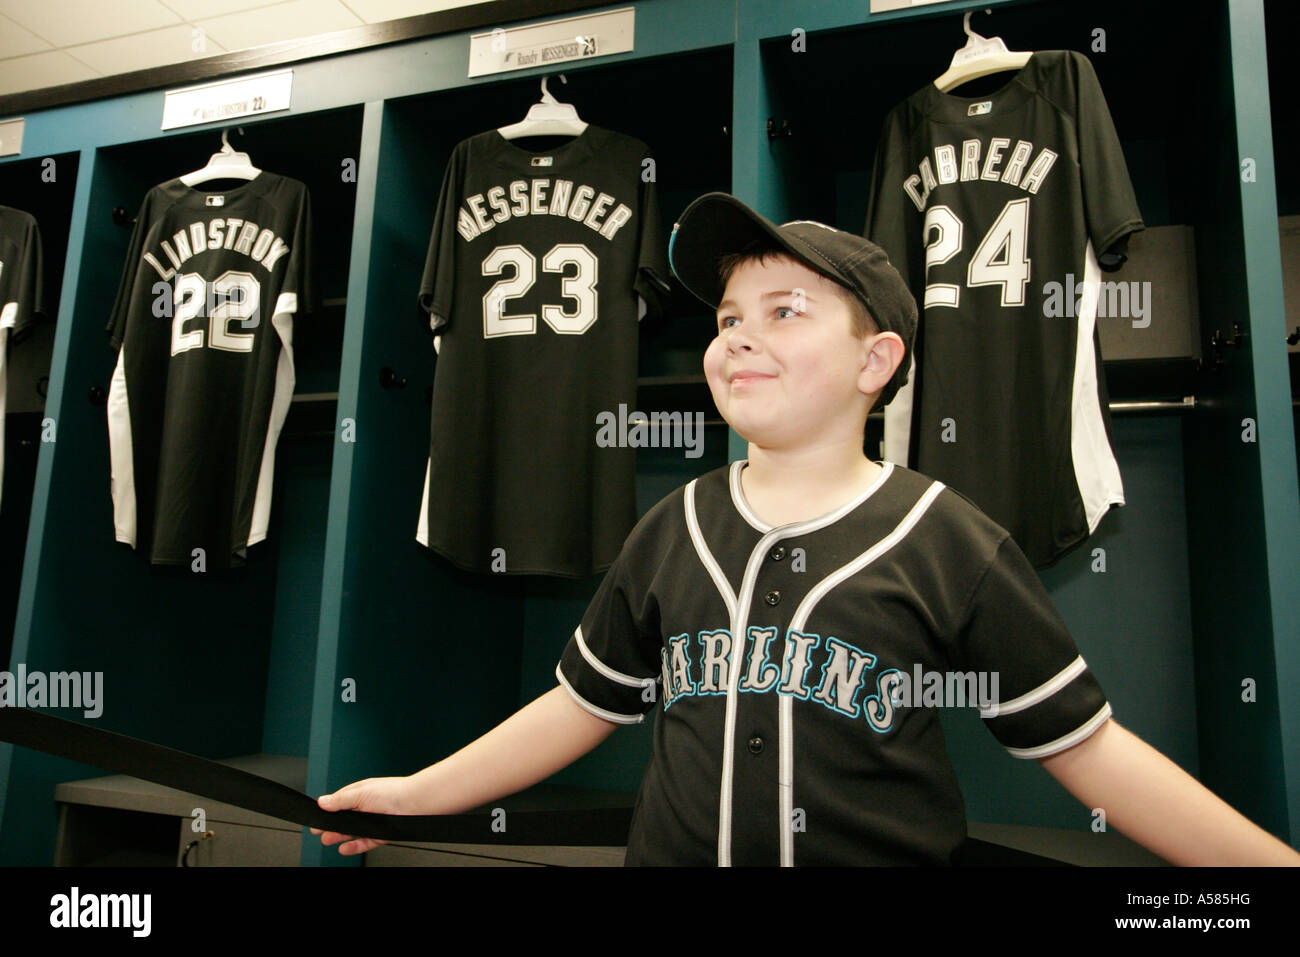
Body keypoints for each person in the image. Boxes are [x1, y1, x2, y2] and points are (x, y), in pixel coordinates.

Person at [314, 193, 1300, 866]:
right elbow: (582, 706)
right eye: (727, 316)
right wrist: (420, 792)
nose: (738, 332)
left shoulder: (947, 539)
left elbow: (1085, 750)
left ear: (876, 362)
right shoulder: (670, 526)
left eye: (784, 311)